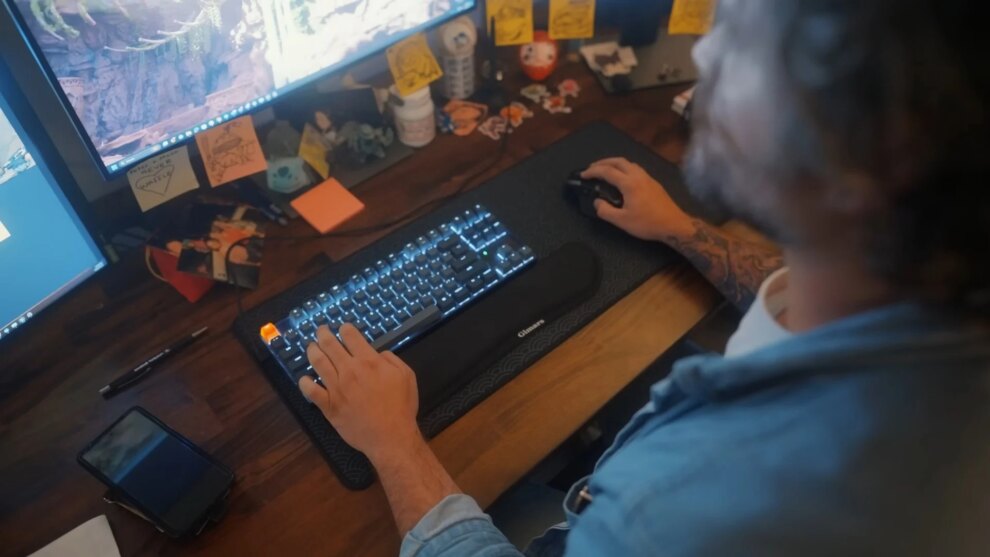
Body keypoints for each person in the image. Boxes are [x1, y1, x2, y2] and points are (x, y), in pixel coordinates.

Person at [298, 0, 990, 554]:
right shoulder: (918, 290)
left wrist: (393, 442)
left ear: (865, 162)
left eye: (745, 39)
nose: (705, 53)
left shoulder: (693, 507)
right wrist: (681, 229)